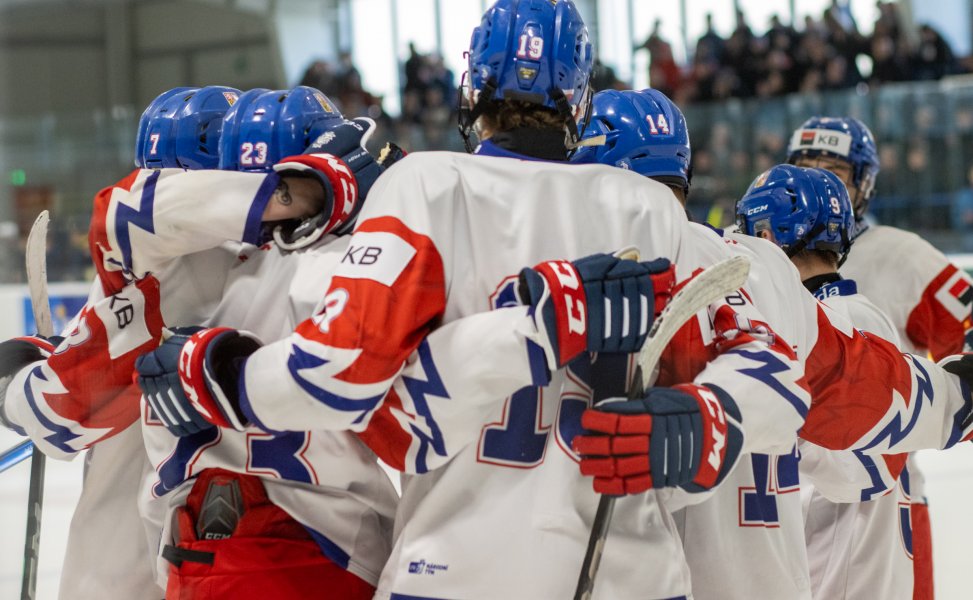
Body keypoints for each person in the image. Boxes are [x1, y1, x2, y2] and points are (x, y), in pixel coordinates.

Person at [135, 2, 815, 598]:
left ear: (472, 83)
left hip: (454, 567)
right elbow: (775, 372)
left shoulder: (426, 187)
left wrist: (214, 370)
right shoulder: (647, 209)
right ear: (579, 98)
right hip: (627, 573)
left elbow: (331, 381)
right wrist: (703, 418)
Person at [572, 88, 973, 600]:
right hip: (800, 551)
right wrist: (955, 400)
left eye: (838, 169)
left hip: (800, 552)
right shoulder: (771, 281)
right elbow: (863, 421)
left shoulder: (884, 256)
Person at [0, 85, 242, 600]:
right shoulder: (284, 258)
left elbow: (67, 409)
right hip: (252, 553)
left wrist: (13, 391)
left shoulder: (151, 260)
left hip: (128, 564)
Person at [787, 115, 973, 600]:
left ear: (863, 183)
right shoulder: (766, 260)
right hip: (787, 498)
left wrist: (951, 406)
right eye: (807, 167)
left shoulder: (901, 255)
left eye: (835, 172)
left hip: (883, 503)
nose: (821, 183)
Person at [736, 163, 914, 599]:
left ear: (768, 237)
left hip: (841, 580)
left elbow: (861, 470)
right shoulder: (859, 316)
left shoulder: (830, 327)